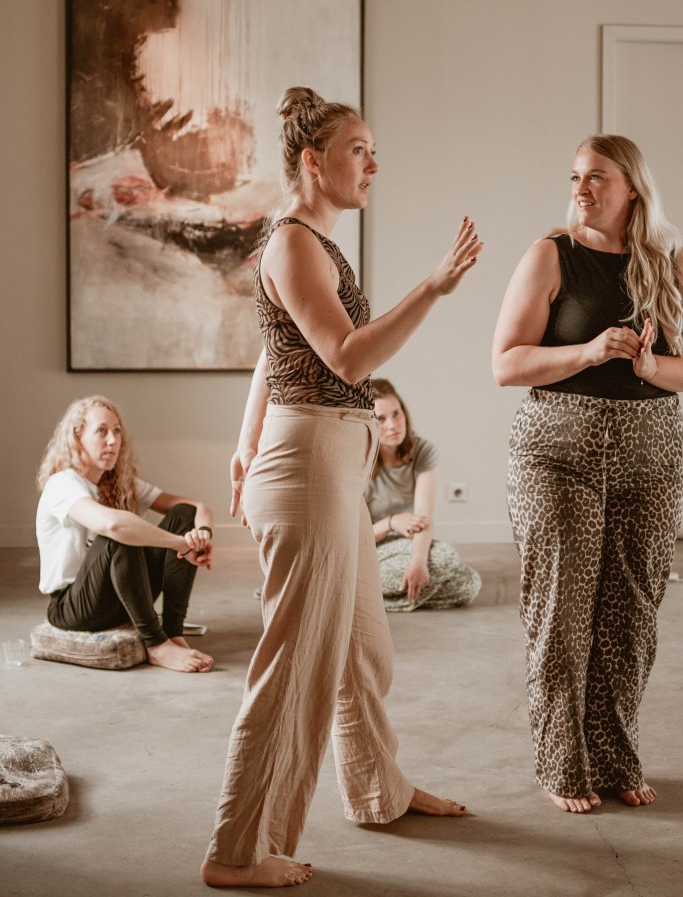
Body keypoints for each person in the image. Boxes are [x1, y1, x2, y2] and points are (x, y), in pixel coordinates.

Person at [200, 86, 483, 888]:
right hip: (310, 467)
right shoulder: (294, 244)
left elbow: (273, 352)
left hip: (325, 462)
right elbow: (349, 358)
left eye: (371, 150)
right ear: (312, 161)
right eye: (358, 149)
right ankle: (235, 851)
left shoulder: (311, 243)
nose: (372, 164)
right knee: (294, 667)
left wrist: (244, 439)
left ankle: (377, 790)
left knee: (361, 651)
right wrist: (431, 287)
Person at [492, 134, 683, 814]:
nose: (580, 188)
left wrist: (649, 367)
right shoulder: (552, 255)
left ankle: (613, 755)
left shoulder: (669, 262)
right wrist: (589, 350)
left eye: (596, 176)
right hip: (556, 456)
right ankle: (562, 765)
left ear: (631, 187)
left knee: (630, 620)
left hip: (651, 460)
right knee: (562, 616)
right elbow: (505, 363)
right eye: (575, 176)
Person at [36, 395, 215, 673]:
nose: (112, 440)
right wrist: (181, 544)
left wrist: (201, 535)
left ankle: (173, 632)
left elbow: (197, 508)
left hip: (118, 596)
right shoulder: (62, 484)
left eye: (117, 431)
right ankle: (156, 645)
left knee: (183, 515)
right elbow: (112, 525)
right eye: (101, 431)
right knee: (120, 532)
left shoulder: (117, 481)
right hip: (73, 608)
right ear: (77, 437)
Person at [365, 378, 481, 611]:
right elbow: (353, 536)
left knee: (469, 583)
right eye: (381, 419)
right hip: (369, 547)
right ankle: (365, 594)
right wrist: (390, 523)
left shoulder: (422, 451)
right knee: (447, 558)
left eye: (396, 414)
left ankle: (370, 599)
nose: (392, 425)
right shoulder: (359, 459)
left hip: (407, 543)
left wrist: (418, 563)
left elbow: (423, 517)